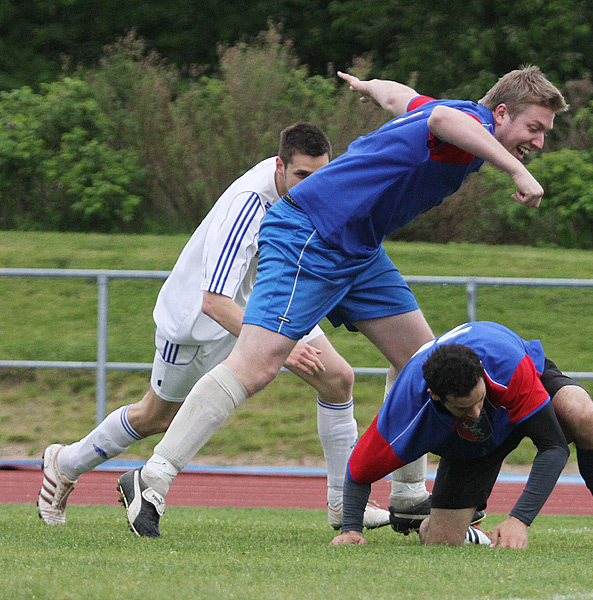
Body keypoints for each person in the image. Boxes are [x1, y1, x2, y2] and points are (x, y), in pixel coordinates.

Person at [116, 66, 570, 538]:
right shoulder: (460, 120)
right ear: (500, 112)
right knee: (256, 365)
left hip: (359, 247)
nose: (537, 142)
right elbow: (441, 123)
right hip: (311, 233)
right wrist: (515, 169)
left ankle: (409, 494)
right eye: (533, 128)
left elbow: (404, 98)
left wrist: (369, 87)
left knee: (422, 359)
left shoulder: (448, 115)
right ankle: (152, 477)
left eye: (543, 134)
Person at [38, 123, 390, 532]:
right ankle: (64, 464)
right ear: (280, 167)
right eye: (302, 177)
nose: (314, 186)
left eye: (321, 175)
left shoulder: (307, 192)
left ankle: (344, 504)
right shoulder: (248, 205)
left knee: (338, 378)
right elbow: (215, 301)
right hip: (197, 323)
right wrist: (285, 348)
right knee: (156, 417)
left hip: (264, 305)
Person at [331, 322, 593, 551]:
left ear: (481, 372)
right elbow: (358, 471)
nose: (478, 412)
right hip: (470, 445)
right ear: (436, 397)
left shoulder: (507, 366)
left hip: (522, 391)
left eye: (480, 400)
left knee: (581, 413)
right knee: (440, 541)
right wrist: (351, 529)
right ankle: (470, 530)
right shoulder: (406, 413)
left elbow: (553, 446)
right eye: (465, 407)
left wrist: (519, 520)